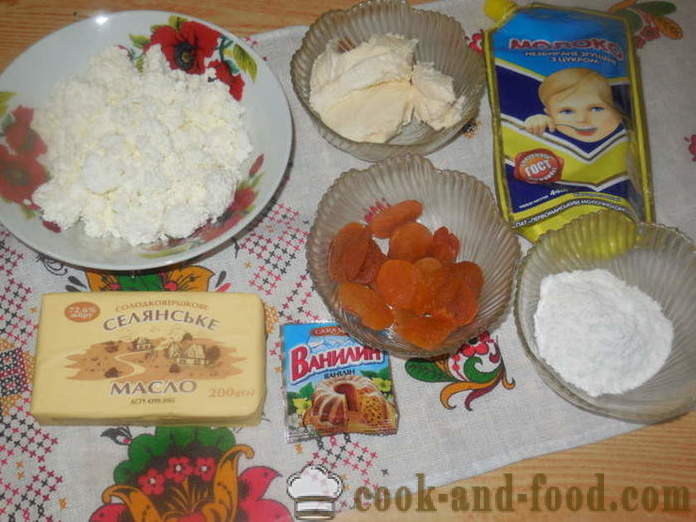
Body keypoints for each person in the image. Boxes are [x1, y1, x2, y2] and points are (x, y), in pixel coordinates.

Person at [523, 67, 622, 143]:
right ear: (549, 114)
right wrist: (535, 122)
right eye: (567, 111)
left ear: (615, 108)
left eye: (596, 109)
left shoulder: (624, 135)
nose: (581, 119)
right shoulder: (551, 130)